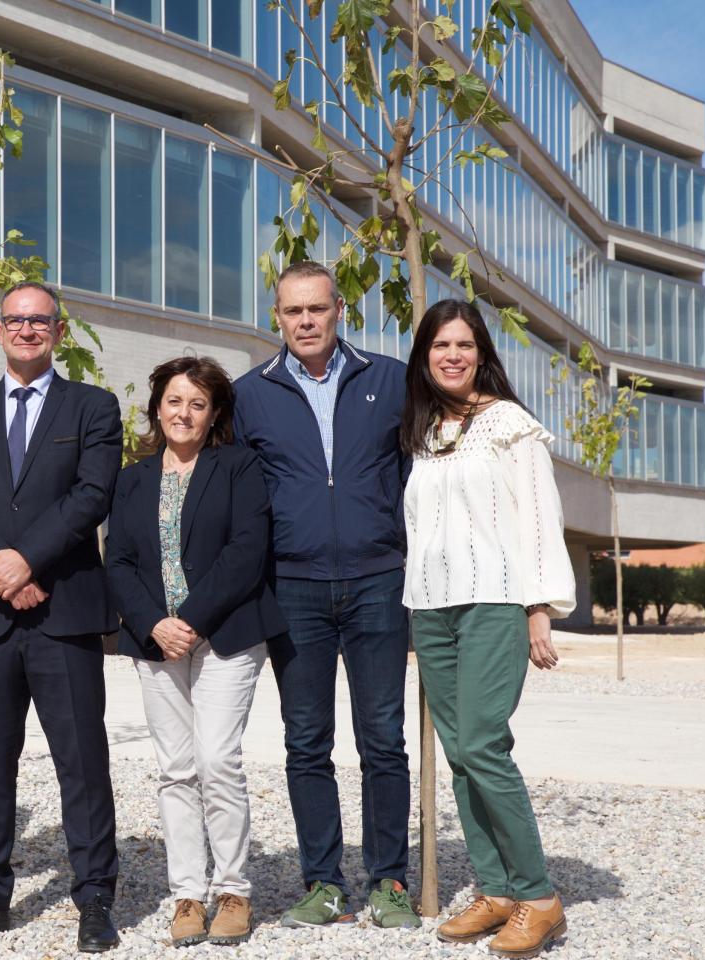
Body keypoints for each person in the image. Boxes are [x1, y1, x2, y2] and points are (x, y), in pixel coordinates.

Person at [0, 280, 124, 954]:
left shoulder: (93, 406)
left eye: (40, 320)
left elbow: (91, 495)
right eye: (15, 319)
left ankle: (95, 897)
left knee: (82, 761)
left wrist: (28, 562)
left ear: (59, 331)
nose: (27, 329)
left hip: (62, 612)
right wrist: (3, 571)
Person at [230, 260, 420, 929]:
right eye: (292, 311)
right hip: (295, 587)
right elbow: (241, 496)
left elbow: (415, 476)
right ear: (275, 318)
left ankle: (390, 879)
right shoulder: (250, 393)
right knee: (307, 740)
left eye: (316, 309)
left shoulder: (390, 379)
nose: (305, 321)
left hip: (378, 582)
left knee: (383, 739)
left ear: (340, 309)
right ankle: (322, 882)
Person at [400, 299, 573, 958]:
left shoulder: (507, 425)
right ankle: (497, 889)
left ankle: (538, 895)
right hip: (430, 608)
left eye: (464, 345)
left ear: (481, 353)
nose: (453, 355)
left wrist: (539, 609)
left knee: (482, 746)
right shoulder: (421, 431)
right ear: (425, 355)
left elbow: (538, 516)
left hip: (494, 603)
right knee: (459, 754)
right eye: (441, 345)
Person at [105, 356, 290, 948]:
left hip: (228, 637)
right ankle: (188, 894)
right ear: (157, 406)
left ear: (214, 416)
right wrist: (155, 623)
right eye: (175, 401)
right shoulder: (130, 478)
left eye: (198, 404)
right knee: (176, 769)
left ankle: (233, 890)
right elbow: (121, 563)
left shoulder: (238, 467)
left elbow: (246, 551)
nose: (184, 413)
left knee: (216, 760)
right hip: (155, 642)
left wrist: (189, 620)